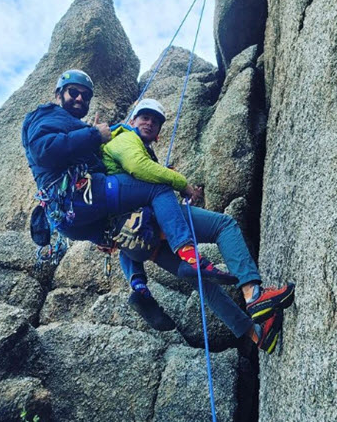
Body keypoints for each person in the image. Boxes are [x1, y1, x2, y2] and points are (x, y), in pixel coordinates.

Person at [102, 98, 295, 353]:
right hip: (151, 220)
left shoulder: (125, 146)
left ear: (160, 132)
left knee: (201, 281)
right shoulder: (124, 139)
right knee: (224, 226)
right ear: (132, 121)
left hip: (138, 237)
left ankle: (258, 335)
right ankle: (254, 294)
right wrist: (183, 184)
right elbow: (138, 167)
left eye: (155, 120)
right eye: (144, 117)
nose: (149, 122)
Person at [21, 69, 238, 285]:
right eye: (73, 92)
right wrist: (95, 135)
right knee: (158, 188)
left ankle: (139, 289)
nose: (80, 98)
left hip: (68, 217)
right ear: (59, 94)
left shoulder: (69, 123)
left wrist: (92, 137)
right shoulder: (47, 114)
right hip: (78, 195)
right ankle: (190, 256)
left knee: (125, 226)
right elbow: (44, 149)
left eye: (85, 95)